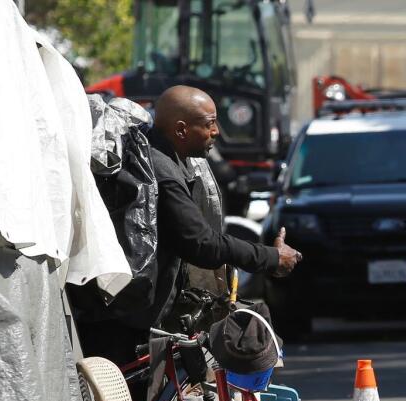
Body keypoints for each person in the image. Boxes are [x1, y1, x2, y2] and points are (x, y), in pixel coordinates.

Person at [78, 85, 302, 366]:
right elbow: (201, 243)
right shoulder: (163, 172)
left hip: (126, 313)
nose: (217, 131)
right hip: (122, 323)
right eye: (209, 124)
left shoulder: (155, 157)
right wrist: (270, 257)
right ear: (182, 130)